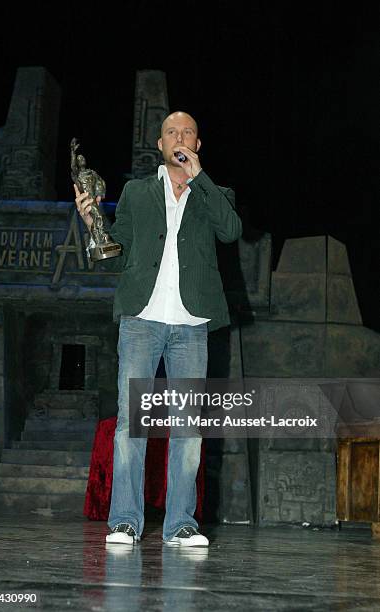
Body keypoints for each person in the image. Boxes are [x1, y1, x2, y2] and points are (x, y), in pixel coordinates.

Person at [74, 111, 242, 547]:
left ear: (197, 145)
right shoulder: (136, 192)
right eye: (172, 132)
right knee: (132, 424)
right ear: (160, 143)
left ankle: (181, 524)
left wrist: (199, 177)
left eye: (188, 132)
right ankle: (125, 521)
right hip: (142, 321)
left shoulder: (214, 194)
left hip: (191, 326)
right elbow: (113, 248)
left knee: (187, 429)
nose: (180, 137)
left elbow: (231, 230)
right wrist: (92, 220)